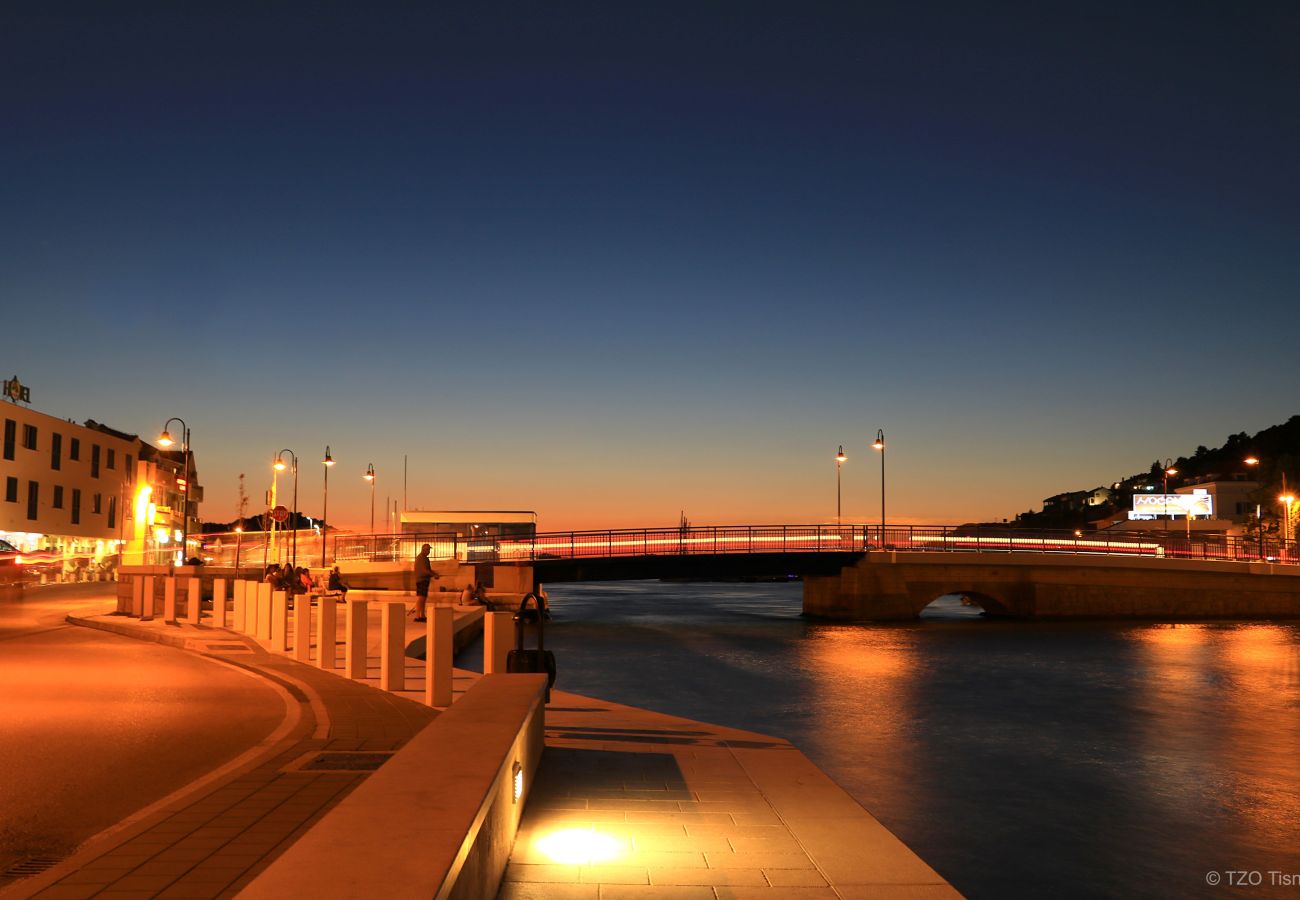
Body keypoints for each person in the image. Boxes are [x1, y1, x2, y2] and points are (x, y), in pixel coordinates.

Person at [413, 543, 437, 622]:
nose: (429, 551)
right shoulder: (421, 558)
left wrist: (434, 574)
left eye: (429, 549)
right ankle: (418, 616)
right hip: (421, 580)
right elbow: (425, 570)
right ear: (423, 550)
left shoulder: (424, 558)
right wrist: (433, 574)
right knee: (421, 598)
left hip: (424, 580)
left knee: (423, 598)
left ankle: (422, 615)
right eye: (428, 549)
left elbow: (428, 570)